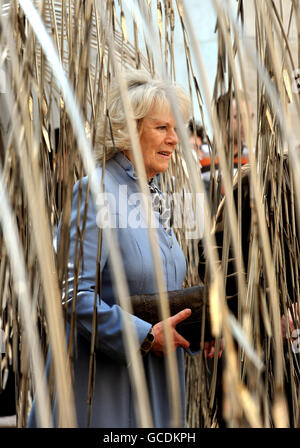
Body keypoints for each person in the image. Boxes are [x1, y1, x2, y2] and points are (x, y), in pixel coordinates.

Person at [29, 70, 196, 428]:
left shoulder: (156, 196)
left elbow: (162, 289)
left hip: (159, 385)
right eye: (161, 128)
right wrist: (145, 337)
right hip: (104, 392)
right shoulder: (96, 190)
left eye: (176, 128)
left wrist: (199, 333)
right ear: (129, 131)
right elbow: (70, 295)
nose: (174, 139)